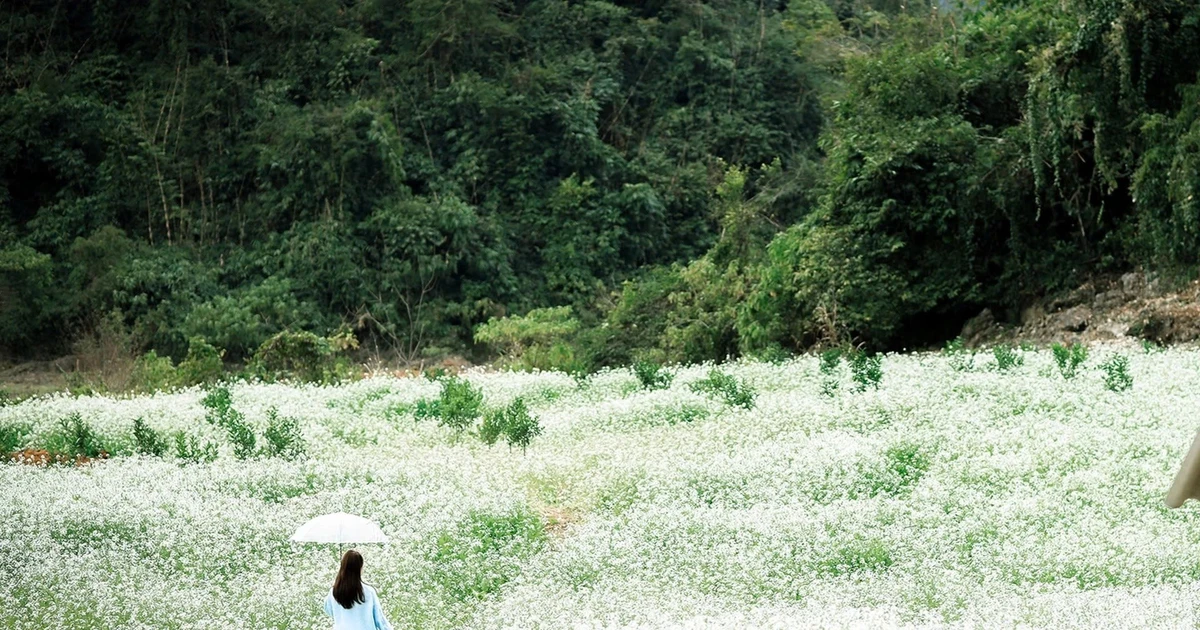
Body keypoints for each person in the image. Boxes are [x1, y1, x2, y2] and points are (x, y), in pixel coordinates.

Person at [323, 550, 392, 630]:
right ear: (360, 568)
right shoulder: (368, 592)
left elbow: (328, 610)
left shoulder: (333, 592)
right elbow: (380, 620)